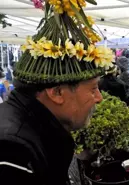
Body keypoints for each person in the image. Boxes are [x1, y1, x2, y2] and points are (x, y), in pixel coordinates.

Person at [0, 2, 112, 184]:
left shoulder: (38, 128)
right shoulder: (12, 151)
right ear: (57, 93)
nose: (99, 98)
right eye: (93, 88)